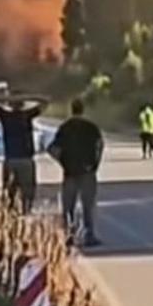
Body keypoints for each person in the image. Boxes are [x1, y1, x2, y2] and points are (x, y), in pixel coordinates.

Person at [50, 98, 104, 247]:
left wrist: (63, 162)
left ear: (71, 109)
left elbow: (53, 149)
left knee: (69, 207)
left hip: (70, 173)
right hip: (87, 171)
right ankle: (89, 235)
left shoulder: (65, 128)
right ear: (83, 109)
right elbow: (100, 145)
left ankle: (69, 236)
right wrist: (95, 164)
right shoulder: (91, 127)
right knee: (88, 206)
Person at [0, 94, 49, 214]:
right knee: (27, 188)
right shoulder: (27, 116)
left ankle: (11, 210)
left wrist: (6, 99)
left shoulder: (5, 116)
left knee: (10, 188)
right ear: (22, 105)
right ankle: (26, 210)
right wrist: (29, 97)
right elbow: (45, 103)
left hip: (11, 158)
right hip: (26, 159)